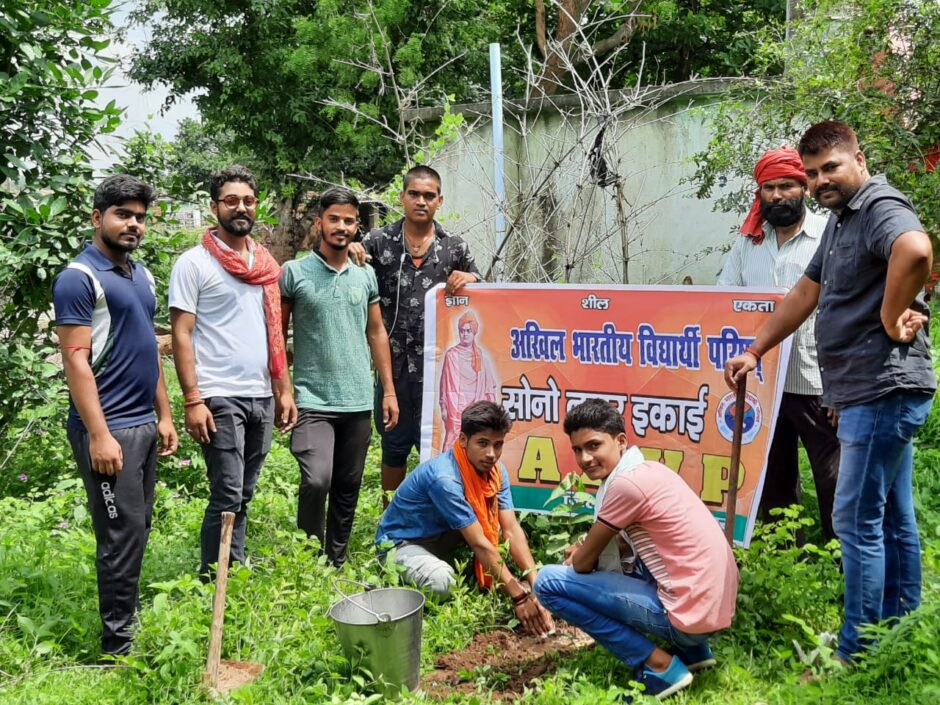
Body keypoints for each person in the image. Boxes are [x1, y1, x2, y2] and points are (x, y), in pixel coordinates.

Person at [725, 120, 936, 664]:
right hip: (871, 389)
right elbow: (804, 291)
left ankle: (856, 650)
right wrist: (756, 349)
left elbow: (915, 248)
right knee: (892, 515)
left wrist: (891, 314)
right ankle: (898, 627)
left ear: (858, 160)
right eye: (813, 172)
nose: (821, 180)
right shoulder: (843, 221)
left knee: (855, 520)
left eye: (830, 168)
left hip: (879, 388)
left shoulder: (878, 208)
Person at [534, 399, 738, 700]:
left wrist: (578, 554)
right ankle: (693, 651)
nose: (585, 458)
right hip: (711, 608)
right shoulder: (649, 470)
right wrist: (583, 549)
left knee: (547, 582)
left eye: (593, 445)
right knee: (638, 556)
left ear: (620, 441)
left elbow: (582, 565)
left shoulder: (625, 485)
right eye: (577, 450)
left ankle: (660, 666)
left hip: (689, 616)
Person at [53, 174, 179, 656]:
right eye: (122, 214)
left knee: (138, 525)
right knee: (120, 533)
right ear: (97, 218)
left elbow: (149, 349)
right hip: (110, 430)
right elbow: (76, 361)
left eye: (140, 217)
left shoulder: (139, 275)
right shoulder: (78, 277)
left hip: (143, 424)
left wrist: (164, 415)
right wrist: (98, 435)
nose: (133, 224)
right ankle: (117, 645)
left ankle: (126, 620)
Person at [169, 164, 297, 577]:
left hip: (260, 393)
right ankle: (215, 577)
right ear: (214, 207)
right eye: (231, 201)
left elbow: (273, 332)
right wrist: (193, 400)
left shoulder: (264, 265)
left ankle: (231, 566)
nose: (240, 208)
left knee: (244, 489)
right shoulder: (193, 264)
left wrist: (283, 391)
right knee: (226, 491)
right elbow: (182, 335)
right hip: (219, 393)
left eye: (247, 200)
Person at [718, 146, 840, 542]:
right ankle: (786, 553)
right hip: (764, 382)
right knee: (773, 474)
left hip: (817, 379)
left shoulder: (830, 232)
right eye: (768, 188)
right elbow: (724, 299)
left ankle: (841, 558)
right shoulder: (747, 244)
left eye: (786, 185)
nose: (777, 195)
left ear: (803, 187)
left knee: (834, 475)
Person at [279, 187, 399, 566]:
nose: (341, 227)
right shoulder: (294, 272)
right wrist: (281, 390)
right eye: (334, 219)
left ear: (357, 226)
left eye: (349, 221)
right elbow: (276, 337)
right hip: (312, 399)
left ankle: (336, 560)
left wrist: (388, 392)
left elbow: (377, 332)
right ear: (320, 223)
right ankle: (308, 556)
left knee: (348, 486)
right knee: (317, 480)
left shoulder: (364, 275)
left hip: (358, 398)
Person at [349, 165, 481, 499]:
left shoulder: (455, 247)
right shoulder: (378, 243)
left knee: (437, 445)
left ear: (440, 201)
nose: (421, 201)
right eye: (414, 194)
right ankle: (391, 518)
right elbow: (350, 270)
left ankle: (431, 515)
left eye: (428, 195)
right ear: (402, 197)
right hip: (391, 368)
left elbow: (483, 286)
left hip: (438, 371)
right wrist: (351, 252)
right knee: (393, 445)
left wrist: (470, 279)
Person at [375, 401, 555, 636]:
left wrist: (536, 585)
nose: (491, 454)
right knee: (443, 582)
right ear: (463, 440)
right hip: (402, 544)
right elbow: (479, 543)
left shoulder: (497, 472)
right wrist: (519, 597)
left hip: (444, 537)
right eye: (482, 443)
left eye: (498, 445)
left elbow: (511, 529)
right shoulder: (445, 479)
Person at [439, 310, 499, 451]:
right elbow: (445, 385)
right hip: (455, 409)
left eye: (468, 331)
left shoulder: (482, 357)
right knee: (451, 443)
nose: (464, 334)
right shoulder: (451, 355)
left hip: (476, 408)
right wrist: (444, 406)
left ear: (474, 333)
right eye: (461, 331)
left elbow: (489, 386)